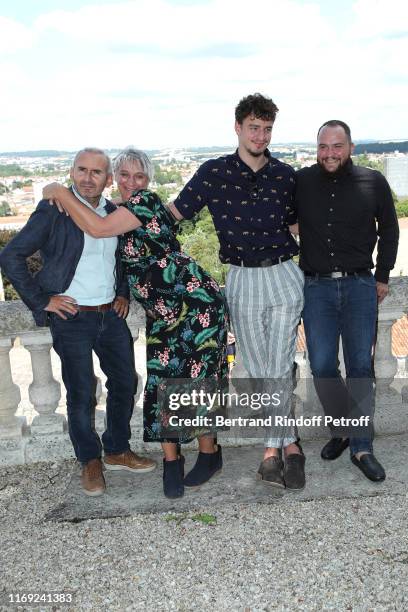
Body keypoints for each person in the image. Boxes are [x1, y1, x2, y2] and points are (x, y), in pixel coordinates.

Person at [42, 147, 229, 500]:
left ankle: (209, 454)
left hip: (195, 303)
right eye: (124, 176)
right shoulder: (116, 210)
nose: (132, 183)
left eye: (139, 176)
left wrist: (60, 191)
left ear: (148, 182)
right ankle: (171, 461)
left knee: (198, 381)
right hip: (162, 311)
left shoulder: (145, 202)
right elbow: (118, 261)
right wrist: (124, 293)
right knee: (163, 382)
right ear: (114, 179)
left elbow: (96, 230)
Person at [0, 147, 156, 496]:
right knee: (81, 392)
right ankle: (89, 460)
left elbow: (121, 259)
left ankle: (116, 449)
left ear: (108, 178)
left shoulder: (114, 211)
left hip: (109, 315)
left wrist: (122, 293)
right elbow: (11, 256)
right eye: (81, 170)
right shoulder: (54, 210)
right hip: (72, 318)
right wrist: (43, 301)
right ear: (72, 173)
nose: (88, 178)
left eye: (96, 172)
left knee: (124, 382)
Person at [169, 94, 306, 490]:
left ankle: (269, 452)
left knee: (279, 362)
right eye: (253, 127)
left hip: (283, 274)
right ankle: (289, 444)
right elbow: (174, 215)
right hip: (242, 278)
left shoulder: (286, 175)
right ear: (237, 127)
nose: (260, 136)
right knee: (261, 367)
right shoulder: (212, 173)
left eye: (266, 129)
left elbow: (301, 226)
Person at [294, 120, 399, 482]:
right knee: (321, 365)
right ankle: (340, 428)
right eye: (323, 146)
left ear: (350, 147)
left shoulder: (373, 181)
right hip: (317, 288)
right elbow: (281, 217)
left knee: (359, 367)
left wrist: (382, 276)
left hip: (359, 287)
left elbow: (389, 229)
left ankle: (361, 446)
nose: (329, 153)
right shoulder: (303, 181)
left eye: (337, 146)